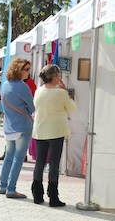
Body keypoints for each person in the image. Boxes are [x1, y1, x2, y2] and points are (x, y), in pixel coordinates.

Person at [32, 64, 76, 207]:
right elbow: (72, 108)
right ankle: (53, 196)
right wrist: (65, 92)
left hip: (41, 130)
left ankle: (37, 194)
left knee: (40, 162)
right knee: (54, 164)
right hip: (56, 130)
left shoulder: (39, 91)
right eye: (58, 75)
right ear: (54, 76)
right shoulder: (61, 93)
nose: (60, 78)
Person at [0, 58, 34, 199]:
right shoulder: (22, 86)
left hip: (9, 126)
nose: (28, 73)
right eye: (26, 69)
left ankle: (3, 185)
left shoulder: (5, 85)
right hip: (22, 126)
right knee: (18, 159)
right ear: (19, 70)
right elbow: (32, 107)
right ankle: (11, 189)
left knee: (9, 157)